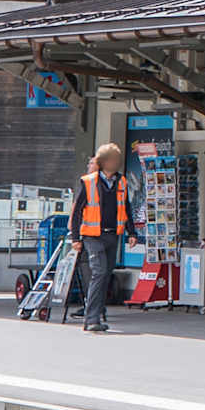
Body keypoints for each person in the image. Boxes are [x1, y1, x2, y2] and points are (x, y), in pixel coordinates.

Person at [68, 143, 136, 333]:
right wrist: (76, 238)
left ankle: (96, 314)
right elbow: (77, 211)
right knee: (99, 272)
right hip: (93, 236)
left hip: (112, 235)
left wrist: (132, 232)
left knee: (105, 275)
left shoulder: (121, 182)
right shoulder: (88, 182)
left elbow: (126, 208)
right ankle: (91, 319)